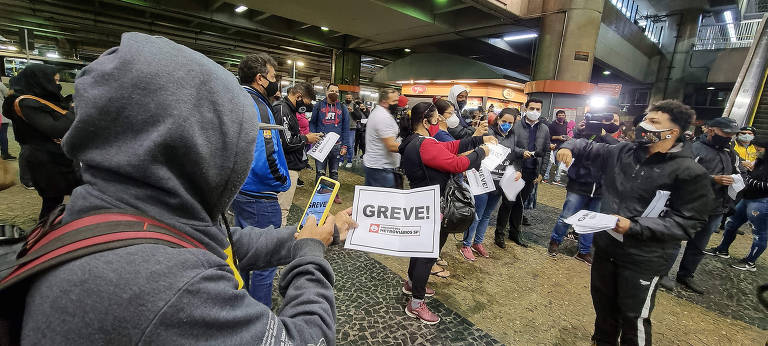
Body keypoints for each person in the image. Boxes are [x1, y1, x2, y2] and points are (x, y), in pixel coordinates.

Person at [14, 32, 357, 345]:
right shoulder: (172, 287)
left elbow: (224, 242)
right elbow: (305, 340)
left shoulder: (121, 207)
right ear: (193, 145)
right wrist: (310, 256)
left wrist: (313, 234)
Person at [556, 99, 712, 345]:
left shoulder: (689, 172)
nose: (643, 125)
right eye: (645, 119)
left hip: (644, 258)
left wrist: (634, 227)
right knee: (604, 310)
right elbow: (586, 146)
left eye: (653, 122)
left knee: (634, 318)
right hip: (607, 248)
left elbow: (688, 222)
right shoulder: (623, 152)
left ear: (672, 132)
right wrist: (568, 147)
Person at [398, 101, 495, 324]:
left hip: (422, 203)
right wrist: (481, 152)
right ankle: (416, 304)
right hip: (434, 207)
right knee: (427, 256)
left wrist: (479, 139)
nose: (440, 123)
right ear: (425, 122)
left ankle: (412, 284)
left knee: (420, 251)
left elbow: (449, 149)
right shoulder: (424, 144)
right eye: (437, 120)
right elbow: (456, 164)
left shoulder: (415, 141)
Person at [231, 53, 292, 307]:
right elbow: (266, 154)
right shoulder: (259, 106)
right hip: (260, 195)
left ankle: (242, 309)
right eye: (273, 77)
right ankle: (261, 320)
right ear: (260, 79)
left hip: (240, 191)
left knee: (244, 256)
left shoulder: (236, 99)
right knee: (265, 263)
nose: (275, 82)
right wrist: (283, 181)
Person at [655, 117, 740, 293]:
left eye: (732, 135)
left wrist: (736, 179)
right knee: (675, 241)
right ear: (711, 130)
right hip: (689, 205)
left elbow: (742, 172)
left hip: (716, 207)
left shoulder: (729, 152)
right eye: (725, 133)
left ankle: (686, 274)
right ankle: (662, 273)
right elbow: (679, 173)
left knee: (699, 244)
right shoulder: (693, 149)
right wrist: (712, 179)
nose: (729, 137)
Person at [1, 64, 80, 220]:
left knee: (60, 198)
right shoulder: (25, 102)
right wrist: (75, 110)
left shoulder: (38, 99)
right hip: (45, 160)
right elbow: (56, 128)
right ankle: (45, 232)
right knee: (52, 202)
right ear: (41, 81)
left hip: (54, 156)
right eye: (55, 81)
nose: (57, 85)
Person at [547, 112, 620, 265]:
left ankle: (584, 251)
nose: (609, 123)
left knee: (591, 222)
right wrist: (577, 135)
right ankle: (555, 242)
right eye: (604, 120)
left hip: (600, 189)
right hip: (579, 184)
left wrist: (603, 133)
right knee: (566, 216)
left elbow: (616, 148)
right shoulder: (584, 136)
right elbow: (574, 143)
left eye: (612, 121)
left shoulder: (615, 143)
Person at [461, 108, 522, 260]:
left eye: (510, 123)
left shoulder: (513, 137)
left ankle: (478, 242)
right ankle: (466, 244)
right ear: (497, 119)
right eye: (504, 121)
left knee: (487, 215)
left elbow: (515, 157)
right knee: (477, 214)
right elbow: (473, 149)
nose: (506, 125)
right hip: (482, 180)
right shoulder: (487, 133)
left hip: (499, 182)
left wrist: (518, 170)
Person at [705, 138, 768, 272]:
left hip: (762, 202)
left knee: (759, 233)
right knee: (731, 224)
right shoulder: (760, 162)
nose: (756, 151)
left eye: (759, 149)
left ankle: (750, 262)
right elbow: (750, 176)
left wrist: (748, 180)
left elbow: (764, 185)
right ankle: (722, 249)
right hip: (746, 199)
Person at [495, 98, 550, 248]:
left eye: (538, 109)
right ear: (525, 108)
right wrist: (515, 165)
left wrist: (541, 172)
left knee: (520, 204)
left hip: (532, 171)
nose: (535, 112)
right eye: (532, 108)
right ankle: (499, 234)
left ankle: (515, 233)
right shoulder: (516, 126)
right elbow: (509, 148)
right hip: (515, 170)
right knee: (508, 202)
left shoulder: (544, 129)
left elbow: (545, 152)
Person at [273, 82, 324, 227]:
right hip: (286, 167)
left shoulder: (289, 110)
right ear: (299, 96)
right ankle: (277, 243)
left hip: (291, 165)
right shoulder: (282, 110)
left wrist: (308, 136)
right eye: (306, 103)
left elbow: (291, 135)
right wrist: (306, 138)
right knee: (282, 210)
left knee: (283, 209)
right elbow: (286, 143)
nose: (307, 107)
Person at [310, 83, 352, 204]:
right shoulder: (318, 106)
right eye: (332, 91)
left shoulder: (342, 108)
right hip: (321, 145)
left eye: (337, 91)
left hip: (336, 145)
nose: (334, 93)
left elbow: (345, 128)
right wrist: (314, 136)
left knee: (334, 172)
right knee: (320, 172)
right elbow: (312, 122)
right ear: (326, 92)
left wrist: (345, 146)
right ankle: (318, 194)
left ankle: (334, 194)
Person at [363, 88, 401, 188]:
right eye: (394, 101)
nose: (397, 104)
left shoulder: (380, 113)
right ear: (384, 102)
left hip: (377, 166)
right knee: (384, 199)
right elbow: (391, 146)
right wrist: (410, 147)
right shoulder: (383, 117)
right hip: (381, 169)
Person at [543, 110, 569, 184]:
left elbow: (568, 134)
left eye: (563, 115)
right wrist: (558, 137)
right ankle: (545, 177)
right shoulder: (552, 125)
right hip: (553, 147)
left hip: (562, 147)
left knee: (560, 164)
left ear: (565, 116)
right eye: (559, 115)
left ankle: (557, 179)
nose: (561, 117)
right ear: (556, 116)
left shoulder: (566, 124)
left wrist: (567, 138)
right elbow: (549, 137)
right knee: (550, 163)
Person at [342, 93, 359, 168]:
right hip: (342, 127)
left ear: (352, 99)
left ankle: (349, 161)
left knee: (350, 145)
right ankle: (341, 160)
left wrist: (352, 111)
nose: (348, 99)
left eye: (349, 98)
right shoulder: (342, 105)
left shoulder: (355, 106)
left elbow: (359, 116)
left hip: (352, 128)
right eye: (347, 98)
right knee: (341, 144)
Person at [0, 81, 14, 160]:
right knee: (3, 133)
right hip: (0, 113)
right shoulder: (0, 84)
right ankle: (5, 153)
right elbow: (7, 94)